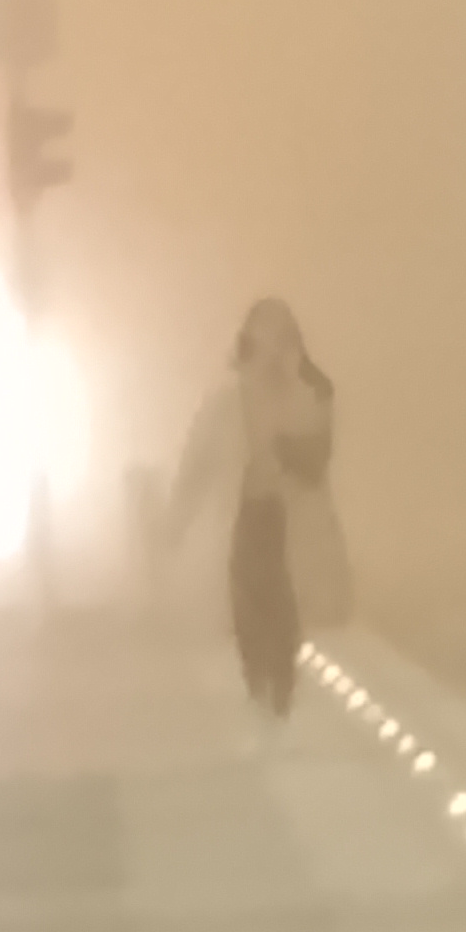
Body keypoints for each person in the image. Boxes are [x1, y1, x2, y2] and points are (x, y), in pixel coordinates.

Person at [166, 298, 351, 724]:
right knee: (249, 614)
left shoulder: (304, 404)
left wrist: (289, 450)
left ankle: (278, 697)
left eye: (284, 342)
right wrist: (176, 521)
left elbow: (317, 465)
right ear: (247, 347)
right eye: (267, 342)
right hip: (245, 525)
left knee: (283, 620)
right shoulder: (223, 409)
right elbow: (196, 468)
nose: (274, 355)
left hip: (286, 530)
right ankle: (260, 693)